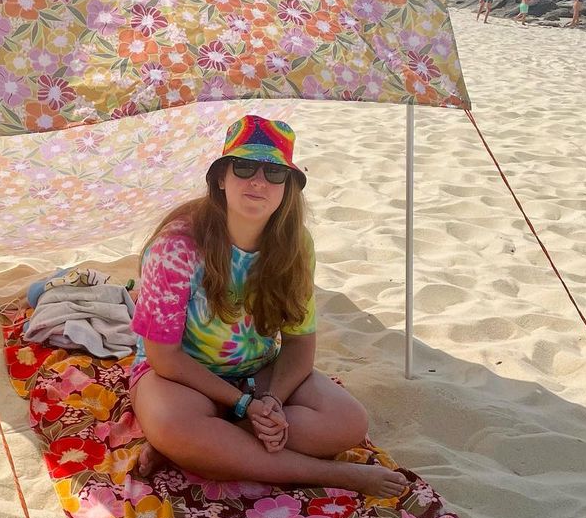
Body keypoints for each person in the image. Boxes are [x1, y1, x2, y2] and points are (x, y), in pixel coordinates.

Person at [129, 114, 409, 498]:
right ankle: (330, 473)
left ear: (288, 187)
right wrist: (244, 404)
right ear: (220, 178)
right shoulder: (177, 246)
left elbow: (299, 343)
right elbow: (164, 357)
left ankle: (209, 447)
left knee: (348, 422)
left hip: (258, 372)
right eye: (244, 167)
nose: (259, 181)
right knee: (173, 424)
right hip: (181, 379)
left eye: (274, 172)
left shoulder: (295, 245)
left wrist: (271, 400)